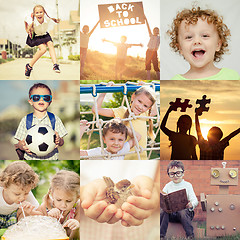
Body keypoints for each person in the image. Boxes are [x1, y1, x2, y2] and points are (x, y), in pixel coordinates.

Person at [80, 160, 160, 240]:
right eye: (126, 187)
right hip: (89, 228)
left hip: (145, 227)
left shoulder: (132, 193)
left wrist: (155, 190)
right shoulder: (115, 196)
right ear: (121, 189)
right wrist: (83, 192)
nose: (131, 187)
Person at [168, 6, 240, 80]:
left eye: (205, 36)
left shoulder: (232, 77)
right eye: (189, 37)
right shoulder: (175, 82)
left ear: (218, 45)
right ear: (180, 48)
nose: (197, 41)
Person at [92, 83, 158, 160]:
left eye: (145, 106)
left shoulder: (144, 114)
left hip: (141, 158)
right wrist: (104, 91)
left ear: (148, 108)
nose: (140, 107)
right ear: (133, 97)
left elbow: (155, 111)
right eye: (139, 101)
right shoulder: (122, 111)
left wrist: (147, 88)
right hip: (125, 159)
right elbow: (96, 110)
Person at [14, 83, 68, 160]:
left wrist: (59, 140)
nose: (41, 99)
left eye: (46, 97)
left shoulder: (55, 119)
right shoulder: (26, 120)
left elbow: (62, 143)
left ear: (50, 101)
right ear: (30, 101)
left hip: (51, 159)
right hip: (30, 159)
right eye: (36, 97)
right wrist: (22, 146)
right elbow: (19, 143)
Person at [160, 160, 198, 239]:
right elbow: (163, 198)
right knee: (163, 211)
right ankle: (161, 236)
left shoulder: (187, 185)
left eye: (178, 173)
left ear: (183, 173)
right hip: (171, 214)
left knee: (182, 211)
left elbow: (195, 200)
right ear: (169, 174)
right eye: (172, 174)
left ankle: (190, 235)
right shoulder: (167, 186)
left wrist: (191, 204)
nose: (175, 176)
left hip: (185, 214)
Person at [38, 170, 80, 240]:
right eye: (59, 200)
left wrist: (76, 229)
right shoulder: (45, 207)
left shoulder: (78, 208)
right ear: (52, 194)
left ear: (77, 198)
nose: (63, 205)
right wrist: (48, 218)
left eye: (68, 201)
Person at [0, 161, 41, 229]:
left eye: (26, 193)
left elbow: (40, 213)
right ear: (5, 187)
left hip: (11, 219)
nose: (22, 198)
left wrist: (30, 211)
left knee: (24, 212)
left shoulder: (25, 191)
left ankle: (19, 232)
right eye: (17, 194)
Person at [24, 5, 61, 79]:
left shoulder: (47, 19)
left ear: (44, 13)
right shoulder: (32, 21)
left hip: (44, 34)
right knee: (43, 49)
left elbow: (52, 18)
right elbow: (25, 23)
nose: (39, 14)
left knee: (50, 44)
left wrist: (56, 20)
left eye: (41, 12)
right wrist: (28, 28)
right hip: (36, 36)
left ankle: (55, 65)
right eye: (37, 13)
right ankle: (29, 66)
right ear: (34, 14)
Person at [144, 15, 160, 80]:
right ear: (153, 31)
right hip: (149, 51)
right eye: (155, 30)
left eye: (157, 30)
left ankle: (159, 78)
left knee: (155, 65)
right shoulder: (151, 36)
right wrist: (146, 20)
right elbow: (148, 27)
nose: (156, 31)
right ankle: (148, 78)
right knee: (147, 64)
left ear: (158, 31)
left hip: (154, 52)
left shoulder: (159, 38)